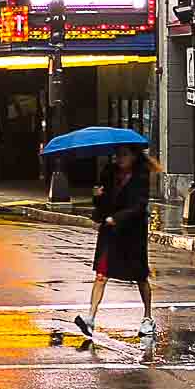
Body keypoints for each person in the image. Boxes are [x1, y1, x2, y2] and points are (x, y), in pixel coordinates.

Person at [75, 146, 158, 342]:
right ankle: (90, 318)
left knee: (140, 276)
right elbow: (102, 203)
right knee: (101, 274)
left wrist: (118, 218)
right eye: (117, 155)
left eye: (124, 155)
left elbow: (139, 206)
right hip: (110, 233)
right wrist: (97, 196)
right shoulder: (109, 172)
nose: (119, 158)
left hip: (132, 233)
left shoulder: (141, 176)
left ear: (134, 156)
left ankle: (148, 317)